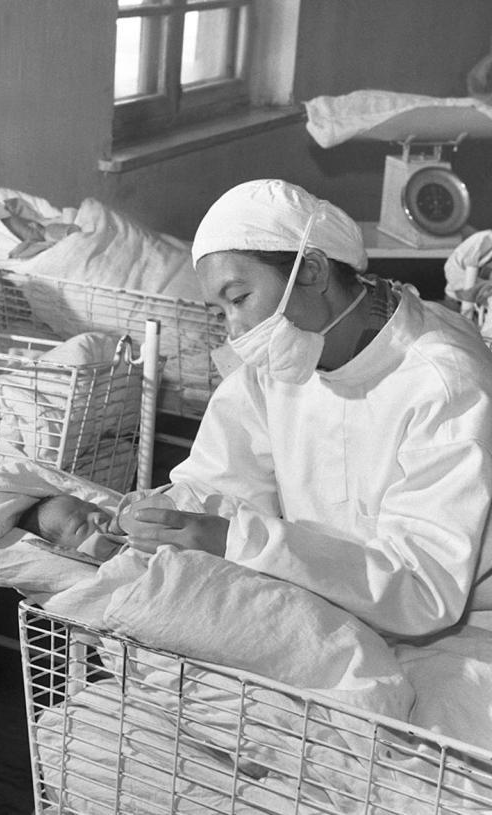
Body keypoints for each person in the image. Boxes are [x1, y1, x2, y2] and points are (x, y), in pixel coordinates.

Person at [125, 178, 492, 640]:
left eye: (239, 299)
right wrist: (168, 514)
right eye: (221, 311)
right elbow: (219, 481)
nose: (235, 330)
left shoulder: (443, 383)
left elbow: (423, 590)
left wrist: (240, 540)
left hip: (457, 630)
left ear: (313, 271)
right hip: (319, 604)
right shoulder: (284, 356)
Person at [17, 494, 125, 564]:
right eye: (82, 526)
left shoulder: (120, 515)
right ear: (62, 549)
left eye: (94, 508)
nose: (97, 516)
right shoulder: (92, 549)